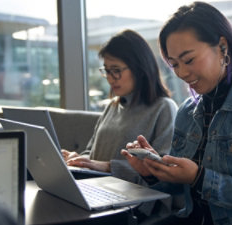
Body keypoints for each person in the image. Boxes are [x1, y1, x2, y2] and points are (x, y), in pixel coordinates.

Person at [121, 2, 232, 225]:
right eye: (174, 64)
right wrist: (152, 171)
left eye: (188, 60)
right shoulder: (188, 110)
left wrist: (200, 177)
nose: (182, 73)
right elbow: (180, 186)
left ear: (223, 47)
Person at [62, 29, 178, 184]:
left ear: (139, 68)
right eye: (107, 71)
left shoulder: (164, 108)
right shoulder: (112, 106)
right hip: (98, 188)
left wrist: (110, 167)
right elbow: (91, 152)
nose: (110, 79)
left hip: (135, 199)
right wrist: (77, 159)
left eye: (116, 71)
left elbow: (162, 170)